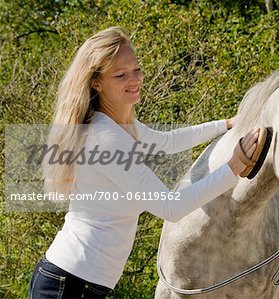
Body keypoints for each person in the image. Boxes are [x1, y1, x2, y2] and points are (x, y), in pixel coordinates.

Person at [28, 26, 260, 298]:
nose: (134, 79)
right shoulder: (105, 137)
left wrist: (226, 124)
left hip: (76, 280)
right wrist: (233, 167)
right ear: (96, 82)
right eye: (120, 74)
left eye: (136, 69)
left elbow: (168, 142)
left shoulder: (121, 125)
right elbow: (169, 207)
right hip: (70, 283)